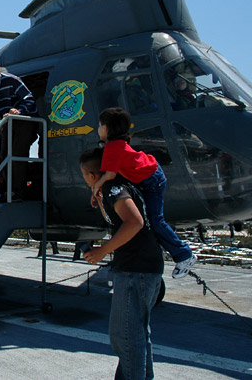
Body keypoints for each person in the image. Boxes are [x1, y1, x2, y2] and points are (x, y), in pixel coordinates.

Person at [80, 147, 163, 380]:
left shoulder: (112, 188)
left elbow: (134, 222)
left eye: (84, 174)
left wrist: (102, 251)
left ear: (92, 176)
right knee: (137, 334)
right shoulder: (119, 185)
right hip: (145, 267)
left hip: (135, 269)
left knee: (124, 335)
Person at [92, 107, 196, 278]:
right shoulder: (117, 145)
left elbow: (109, 175)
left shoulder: (111, 148)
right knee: (147, 218)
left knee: (156, 220)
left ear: (107, 129)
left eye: (100, 125)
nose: (98, 129)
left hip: (152, 181)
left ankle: (185, 255)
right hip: (149, 176)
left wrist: (96, 186)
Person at [0, 59, 38, 200]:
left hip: (24, 121)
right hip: (7, 123)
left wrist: (19, 111)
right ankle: (11, 190)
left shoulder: (12, 81)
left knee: (18, 154)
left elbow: (29, 99)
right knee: (5, 155)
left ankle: (19, 192)